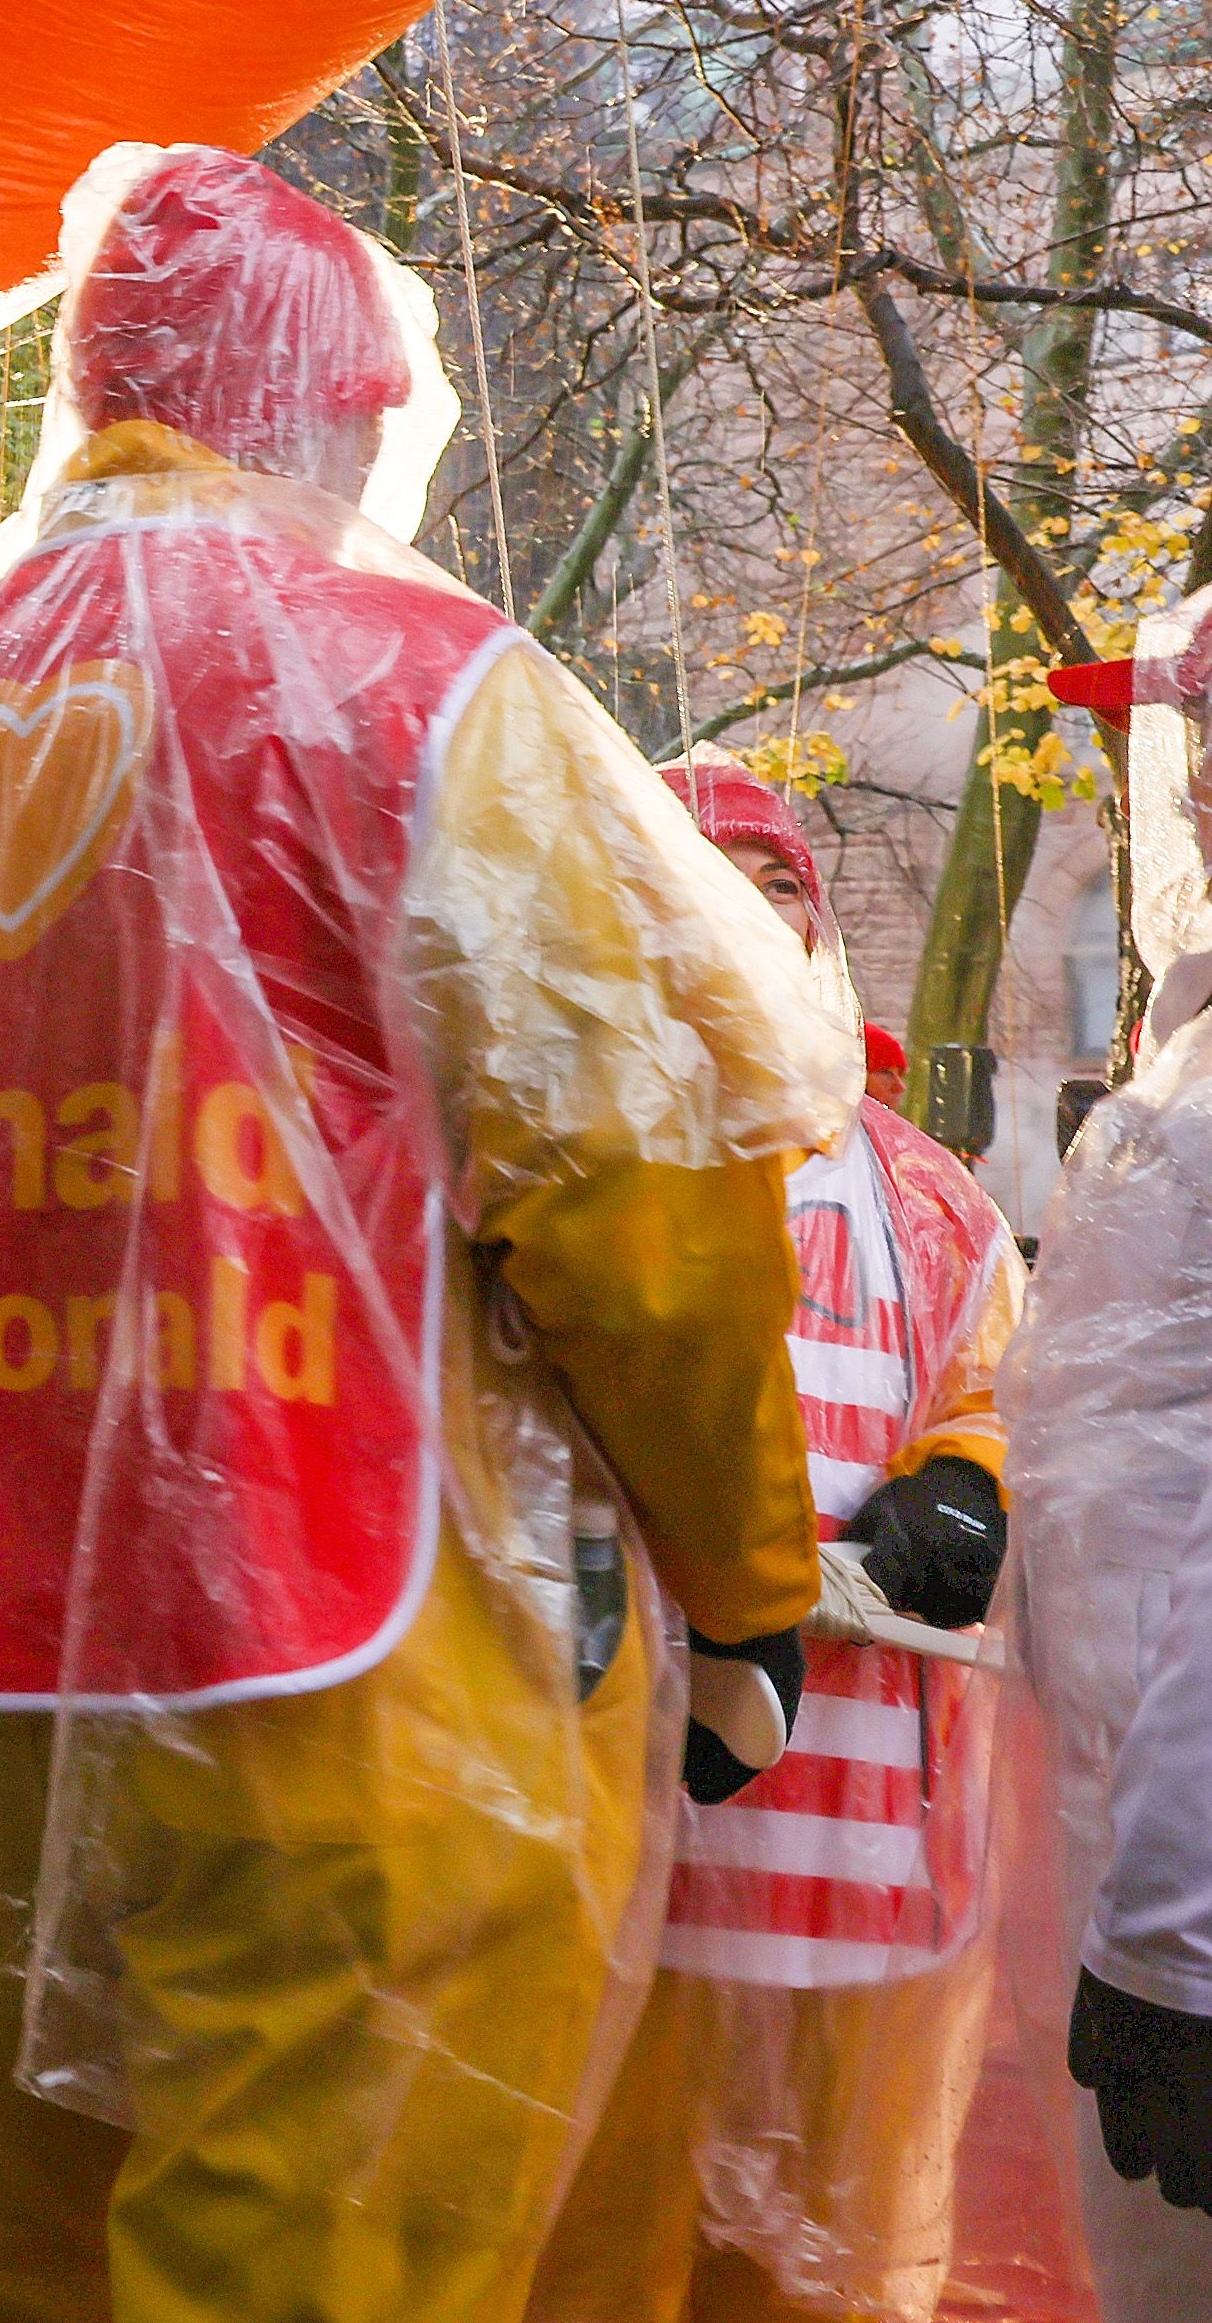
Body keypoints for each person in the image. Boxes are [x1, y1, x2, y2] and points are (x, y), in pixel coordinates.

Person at [0, 144, 853, 2323]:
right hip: (338, 1664)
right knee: (311, 2255)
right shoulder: (418, 688)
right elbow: (643, 1195)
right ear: (332, 400)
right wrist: (748, 1578)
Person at [526, 755, 1021, 2322]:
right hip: (607, 1819)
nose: (747, 914)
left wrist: (966, 1484)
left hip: (855, 1832)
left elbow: (1000, 1385)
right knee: (591, 2240)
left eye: (778, 884)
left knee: (821, 2257)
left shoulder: (932, 1202)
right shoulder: (542, 1169)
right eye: (695, 879)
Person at [995, 597, 1212, 2320]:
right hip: (1130, 1854)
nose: (1195, 777)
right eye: (1186, 731)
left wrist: (1171, 1932)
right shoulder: (1186, 1045)